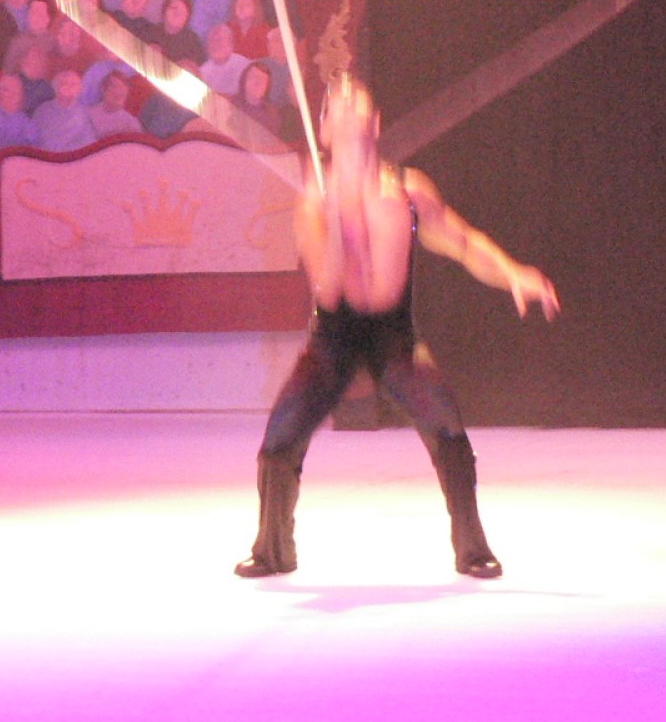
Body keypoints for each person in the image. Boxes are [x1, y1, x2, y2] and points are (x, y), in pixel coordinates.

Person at [238, 74, 560, 581]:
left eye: (357, 97)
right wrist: (336, 223)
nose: (347, 97)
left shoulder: (408, 191)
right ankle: (272, 550)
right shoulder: (313, 200)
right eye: (336, 102)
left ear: (376, 123)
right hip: (334, 337)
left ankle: (472, 549)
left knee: (448, 429)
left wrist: (512, 273)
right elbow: (328, 291)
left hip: (393, 337)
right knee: (280, 439)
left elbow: (464, 243)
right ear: (324, 130)